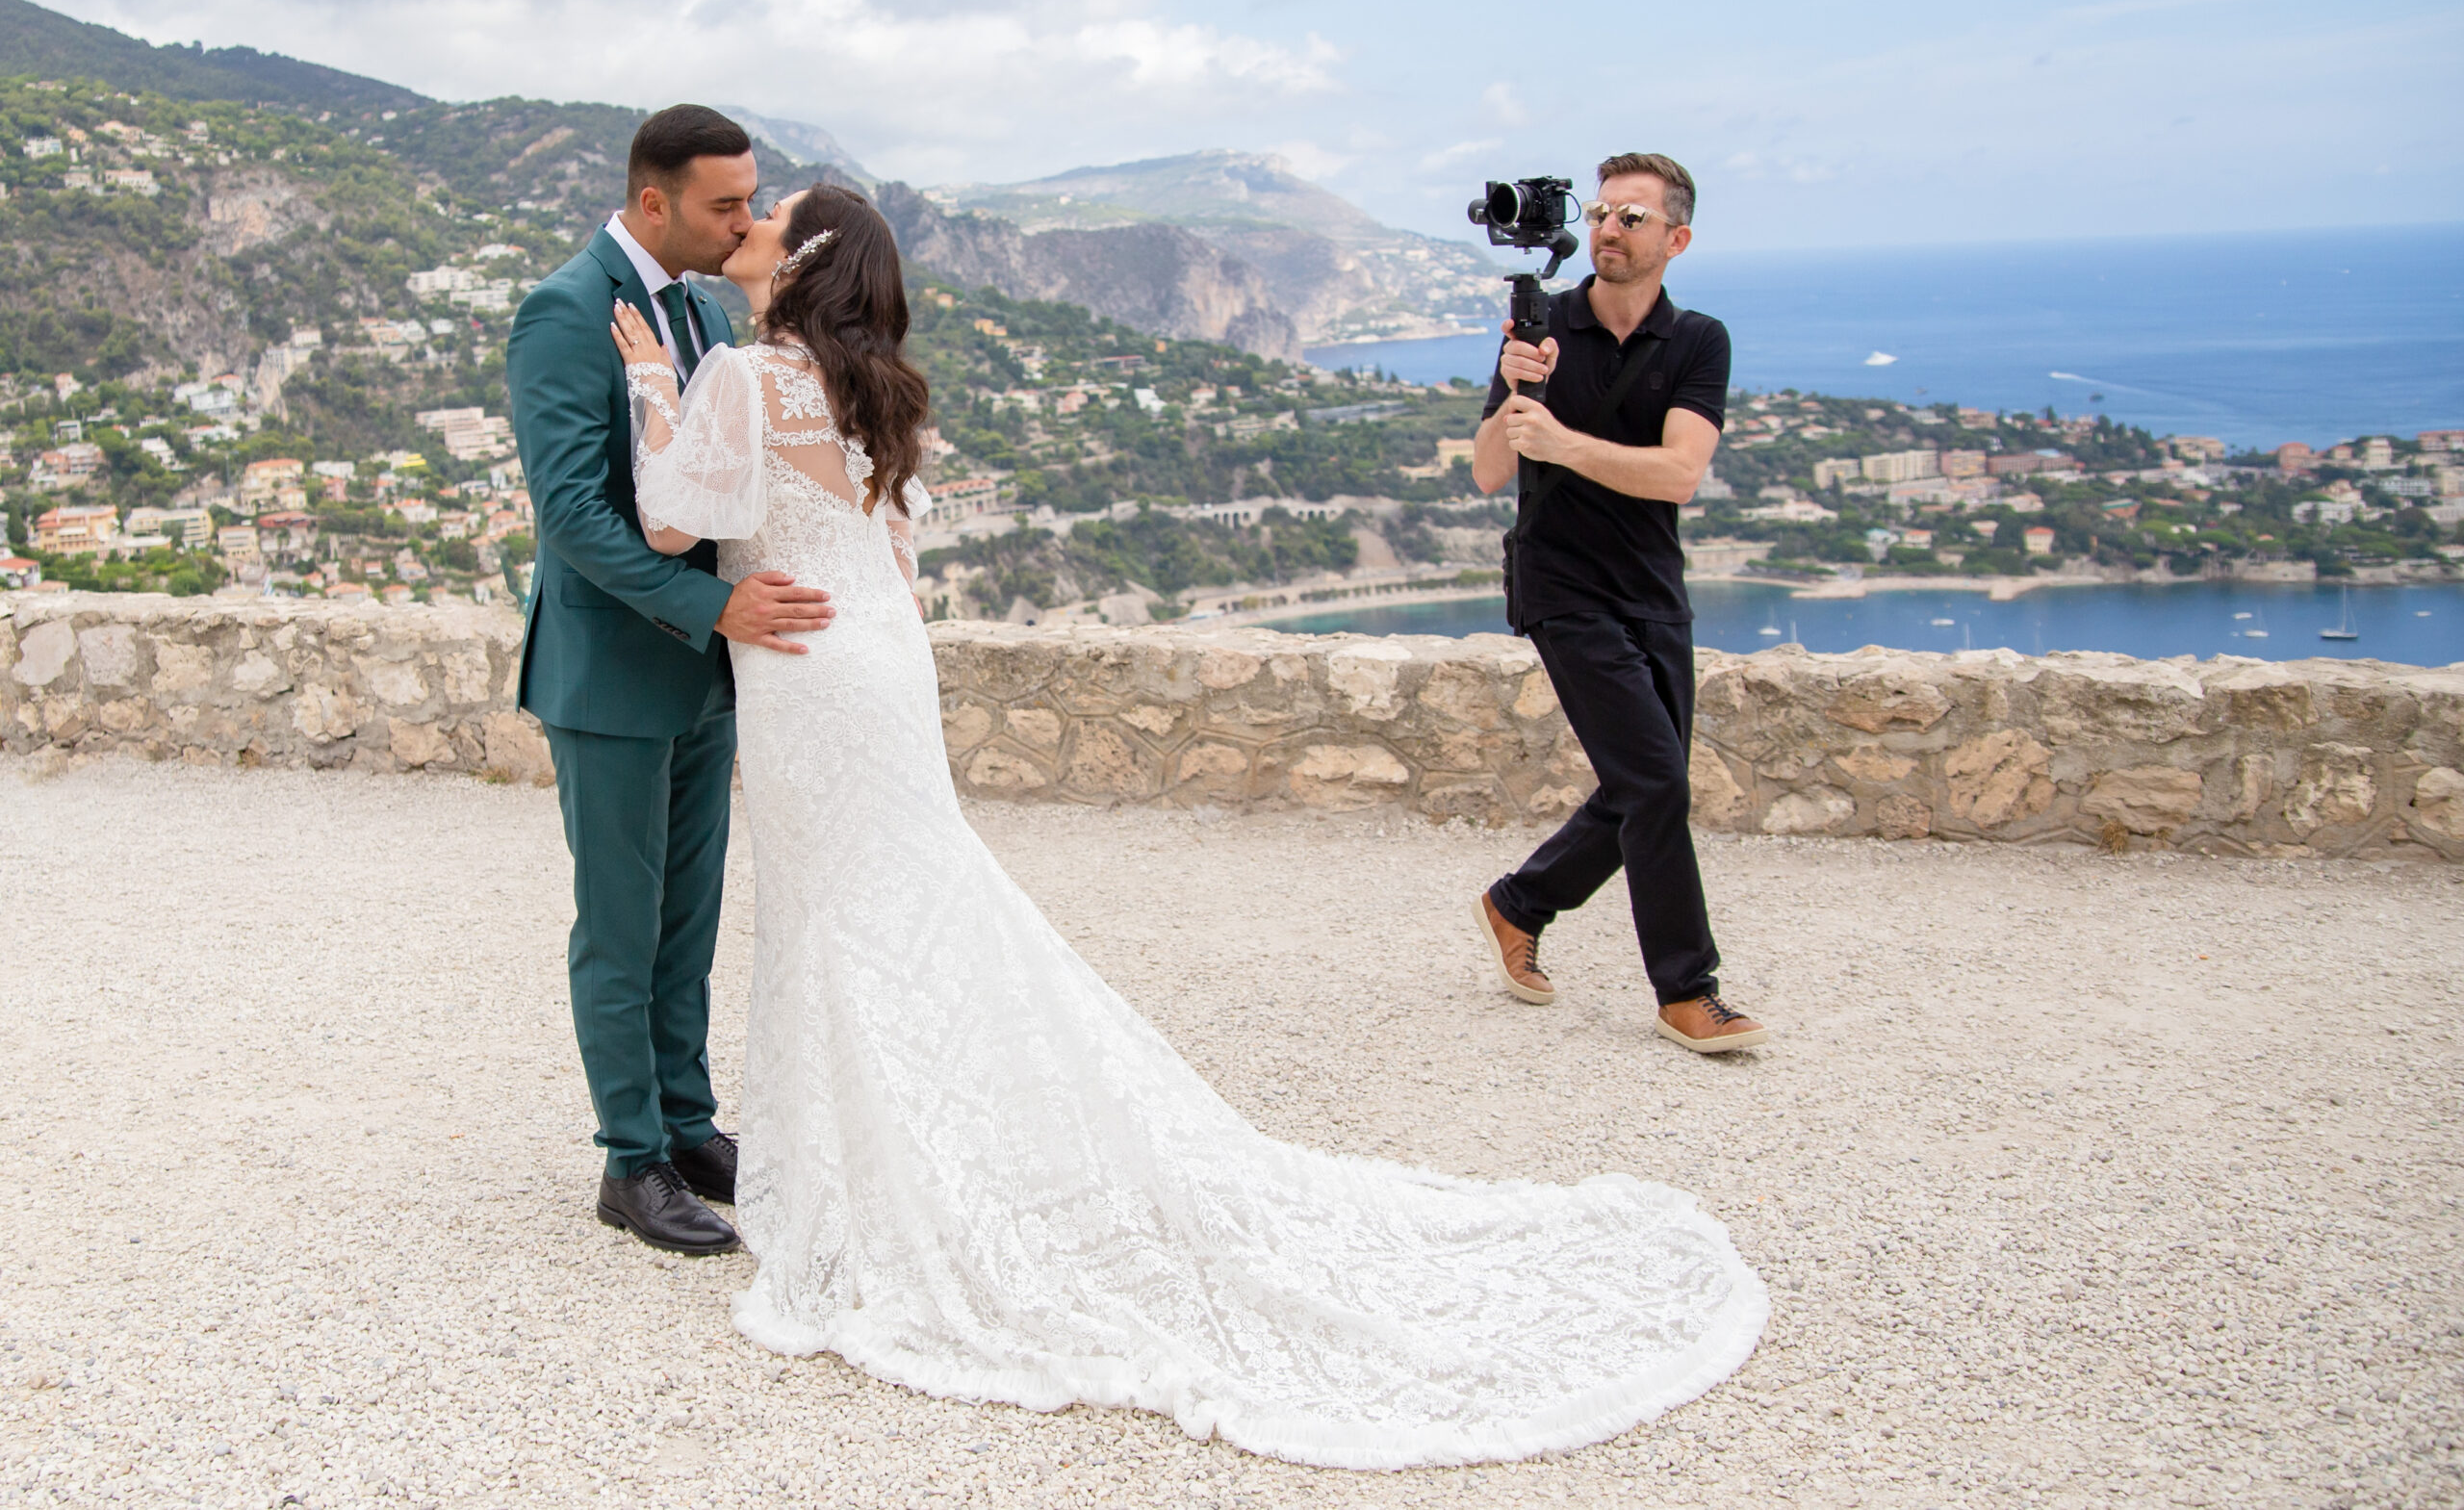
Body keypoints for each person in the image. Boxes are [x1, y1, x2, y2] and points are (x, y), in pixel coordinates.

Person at [610, 180, 1767, 1470]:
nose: (746, 229)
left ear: (799, 257)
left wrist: (656, 383)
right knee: (903, 893)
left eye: (766, 221)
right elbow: (890, 550)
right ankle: (873, 1144)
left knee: (837, 907)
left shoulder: (738, 377)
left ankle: (863, 1170)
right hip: (877, 658)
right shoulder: (878, 382)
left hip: (802, 669)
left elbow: (672, 519)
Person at [507, 105, 835, 1259]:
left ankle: (688, 1126)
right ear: (654, 201)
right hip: (609, 674)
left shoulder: (699, 308)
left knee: (687, 921)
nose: (746, 222)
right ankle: (629, 1160)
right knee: (619, 925)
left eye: (751, 198)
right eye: (725, 204)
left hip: (706, 673)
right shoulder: (561, 312)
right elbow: (575, 516)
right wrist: (715, 606)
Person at [1468, 152, 1770, 1056]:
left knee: (1645, 784)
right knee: (1656, 781)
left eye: (1632, 217)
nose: (1608, 227)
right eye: (1601, 211)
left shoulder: (1698, 341)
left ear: (1675, 239)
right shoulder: (1544, 324)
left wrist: (1559, 440)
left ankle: (1519, 902)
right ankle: (1687, 990)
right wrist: (1518, 392)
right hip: (1562, 585)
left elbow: (1679, 473)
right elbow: (1489, 469)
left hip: (1652, 587)